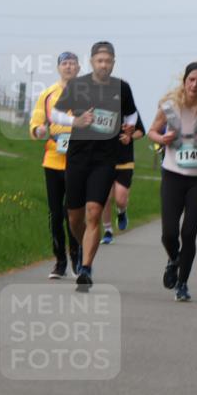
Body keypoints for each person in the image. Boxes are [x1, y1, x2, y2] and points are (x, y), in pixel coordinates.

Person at [49, 41, 140, 291]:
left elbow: (131, 115)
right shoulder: (78, 85)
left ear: (113, 63)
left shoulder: (122, 88)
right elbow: (55, 114)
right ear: (91, 62)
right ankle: (79, 248)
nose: (104, 65)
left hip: (105, 159)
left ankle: (86, 268)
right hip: (77, 158)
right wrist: (74, 120)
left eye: (108, 61)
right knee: (74, 218)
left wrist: (129, 129)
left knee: (93, 213)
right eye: (100, 61)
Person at [146, 62, 197, 301]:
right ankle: (174, 259)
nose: (194, 84)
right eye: (191, 79)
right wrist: (162, 139)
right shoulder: (169, 106)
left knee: (189, 233)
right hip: (172, 175)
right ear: (184, 80)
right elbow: (152, 131)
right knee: (168, 234)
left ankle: (182, 283)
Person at [28, 51, 81, 279]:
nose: (69, 67)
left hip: (78, 162)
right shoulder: (47, 94)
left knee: (73, 212)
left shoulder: (87, 92)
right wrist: (37, 130)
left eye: (72, 64)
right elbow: (36, 121)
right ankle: (59, 261)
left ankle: (77, 258)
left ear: (78, 68)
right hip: (52, 160)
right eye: (65, 63)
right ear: (59, 68)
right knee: (55, 213)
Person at [101, 112, 145, 245]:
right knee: (105, 198)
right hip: (104, 161)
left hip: (125, 161)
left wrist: (130, 137)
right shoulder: (102, 108)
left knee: (120, 199)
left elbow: (141, 131)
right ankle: (108, 231)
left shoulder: (131, 111)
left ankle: (121, 211)